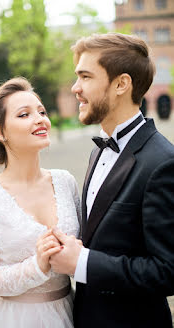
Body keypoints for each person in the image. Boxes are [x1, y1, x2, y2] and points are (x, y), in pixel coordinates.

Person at [49, 33, 174, 328]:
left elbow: (168, 271)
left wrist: (82, 263)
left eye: (85, 76)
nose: (75, 88)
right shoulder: (97, 151)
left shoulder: (163, 162)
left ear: (121, 84)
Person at [0, 77, 81, 328]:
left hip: (70, 312)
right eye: (24, 114)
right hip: (11, 318)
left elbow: (84, 251)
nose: (40, 119)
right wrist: (35, 266)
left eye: (41, 111)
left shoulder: (65, 182)